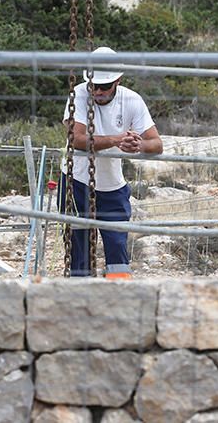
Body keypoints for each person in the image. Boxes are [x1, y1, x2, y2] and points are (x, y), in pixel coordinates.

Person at [61, 47, 163, 278]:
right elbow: (75, 139)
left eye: (104, 86)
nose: (97, 91)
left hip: (112, 186)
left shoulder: (132, 100)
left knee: (117, 247)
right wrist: (116, 140)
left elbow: (156, 144)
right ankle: (79, 300)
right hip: (76, 182)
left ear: (118, 80)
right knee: (79, 250)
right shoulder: (78, 95)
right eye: (93, 85)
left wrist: (138, 146)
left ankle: (118, 297)